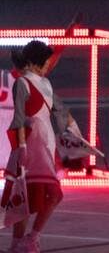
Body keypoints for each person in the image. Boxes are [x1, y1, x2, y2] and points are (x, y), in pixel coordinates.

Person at [5, 42, 63, 253]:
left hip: (44, 145)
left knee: (38, 197)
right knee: (32, 197)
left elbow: (55, 111)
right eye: (45, 60)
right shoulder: (22, 83)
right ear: (36, 62)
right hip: (30, 146)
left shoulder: (44, 83)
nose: (49, 63)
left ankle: (26, 240)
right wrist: (21, 148)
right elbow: (19, 119)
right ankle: (24, 241)